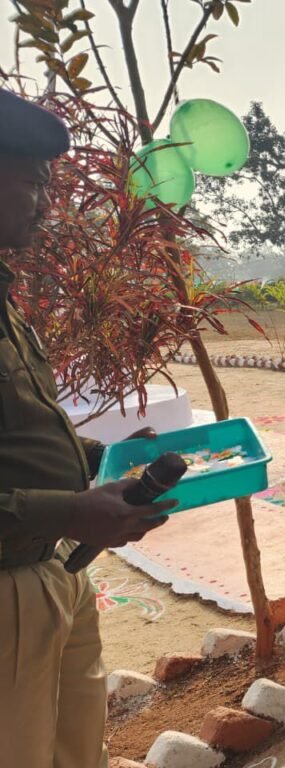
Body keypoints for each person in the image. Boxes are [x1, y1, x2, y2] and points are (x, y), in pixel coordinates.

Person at [0, 90, 175, 767]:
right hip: (9, 581)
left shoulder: (6, 300)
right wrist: (72, 508)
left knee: (78, 749)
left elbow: (20, 434)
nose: (48, 202)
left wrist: (105, 457)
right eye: (32, 181)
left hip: (52, 573)